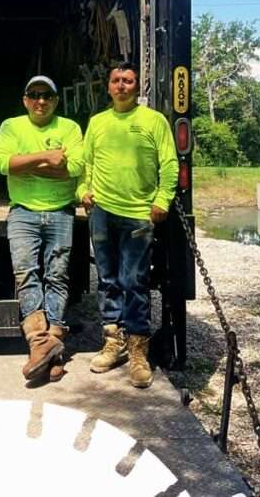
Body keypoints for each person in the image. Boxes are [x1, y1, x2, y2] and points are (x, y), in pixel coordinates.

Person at [81, 61, 178, 388]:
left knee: (134, 279)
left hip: (139, 213)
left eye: (128, 81)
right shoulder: (97, 123)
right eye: (116, 81)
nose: (122, 85)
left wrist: (162, 200)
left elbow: (169, 163)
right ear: (108, 87)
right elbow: (87, 163)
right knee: (107, 279)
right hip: (102, 211)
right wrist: (84, 189)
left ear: (137, 87)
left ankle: (138, 351)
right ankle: (113, 341)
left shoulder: (153, 121)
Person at [0, 75, 84, 382]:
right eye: (34, 95)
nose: (41, 101)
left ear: (56, 100)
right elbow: (5, 164)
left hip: (60, 211)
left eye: (47, 95)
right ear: (25, 100)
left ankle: (49, 350)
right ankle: (43, 345)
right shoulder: (11, 126)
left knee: (57, 275)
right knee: (26, 274)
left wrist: (27, 164)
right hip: (23, 212)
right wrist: (47, 157)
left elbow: (74, 168)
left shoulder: (70, 128)